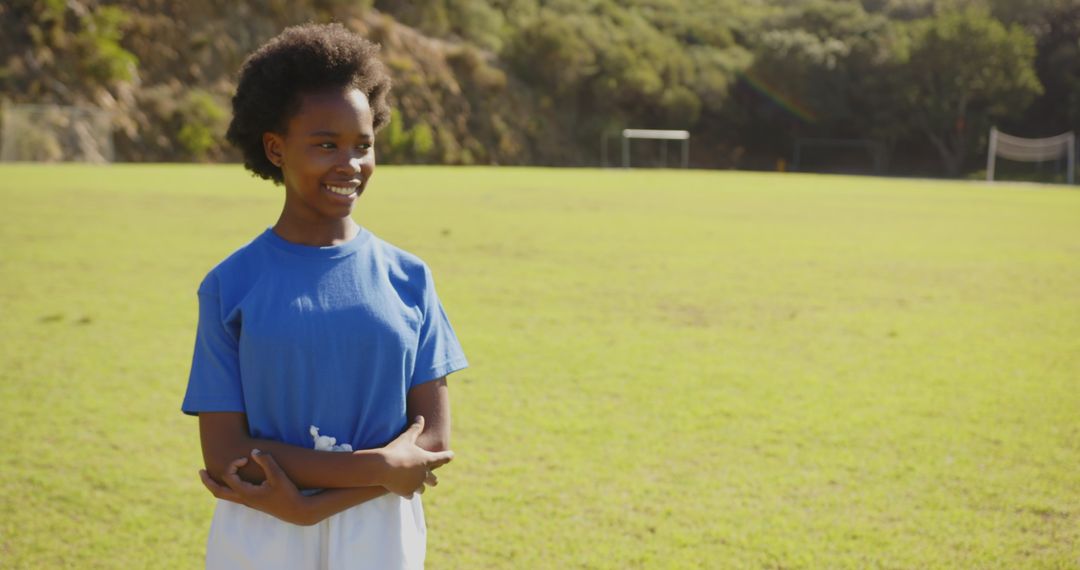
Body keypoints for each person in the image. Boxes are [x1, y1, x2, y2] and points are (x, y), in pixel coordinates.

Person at [181, 23, 468, 569]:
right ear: (275, 147)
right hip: (261, 522)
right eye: (326, 144)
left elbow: (431, 441)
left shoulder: (410, 277)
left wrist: (319, 506)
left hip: (381, 528)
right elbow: (224, 454)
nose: (350, 164)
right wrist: (379, 467)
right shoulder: (230, 284)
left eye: (363, 145)